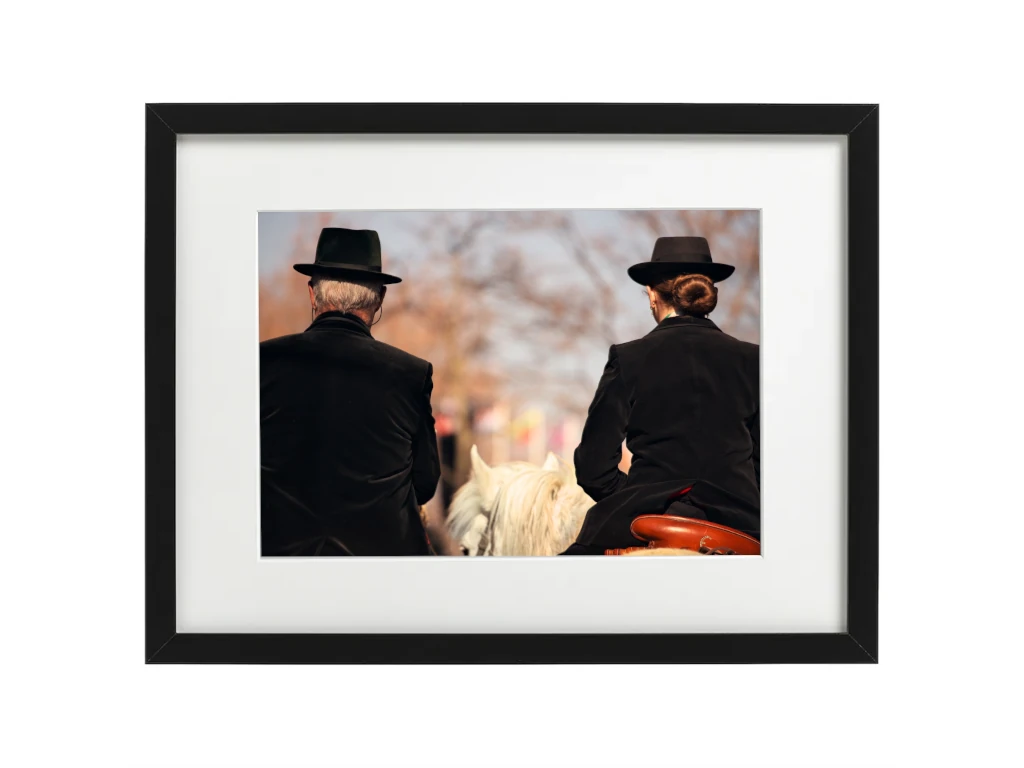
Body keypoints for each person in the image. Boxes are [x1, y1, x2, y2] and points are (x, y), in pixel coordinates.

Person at [562, 236, 759, 555]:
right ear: (710, 293)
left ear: (652, 295)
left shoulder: (629, 358)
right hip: (742, 523)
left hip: (649, 515)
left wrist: (638, 496)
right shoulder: (753, 359)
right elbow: (766, 461)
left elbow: (593, 468)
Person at [260, 227, 440, 556]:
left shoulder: (261, 362)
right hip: (382, 562)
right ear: (380, 298)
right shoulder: (410, 374)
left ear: (312, 294)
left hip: (276, 561)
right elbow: (425, 482)